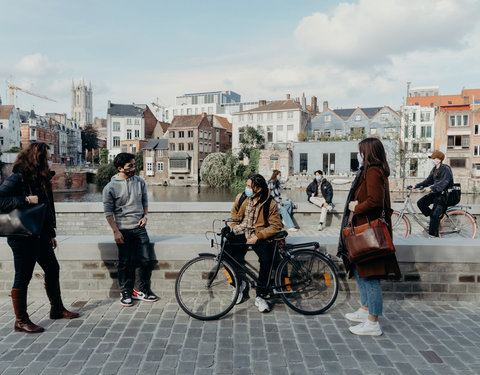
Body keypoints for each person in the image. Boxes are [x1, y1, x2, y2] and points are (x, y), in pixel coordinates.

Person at [0, 142, 79, 334]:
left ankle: (57, 309)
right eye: (48, 157)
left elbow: (46, 208)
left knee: (53, 268)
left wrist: (51, 233)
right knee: (23, 276)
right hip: (22, 236)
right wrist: (25, 200)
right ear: (38, 158)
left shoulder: (41, 179)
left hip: (40, 233)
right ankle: (20, 321)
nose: (51, 161)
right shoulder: (17, 178)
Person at [337, 138, 401, 336]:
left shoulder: (373, 172)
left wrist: (356, 206)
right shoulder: (368, 171)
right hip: (363, 231)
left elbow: (375, 201)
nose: (359, 155)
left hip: (368, 233)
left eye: (361, 152)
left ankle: (373, 322)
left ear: (368, 153)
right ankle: (365, 310)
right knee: (361, 271)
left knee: (370, 276)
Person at [103, 153, 158, 307]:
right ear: (120, 168)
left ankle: (141, 290)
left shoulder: (140, 182)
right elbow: (108, 212)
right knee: (124, 262)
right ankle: (125, 292)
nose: (134, 168)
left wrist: (145, 216)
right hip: (122, 229)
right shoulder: (110, 187)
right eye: (130, 166)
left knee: (146, 259)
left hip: (139, 228)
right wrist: (115, 231)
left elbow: (145, 201)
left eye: (134, 165)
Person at [227, 174, 283, 313]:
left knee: (266, 259)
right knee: (225, 253)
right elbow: (234, 212)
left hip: (259, 235)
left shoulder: (269, 203)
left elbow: (276, 225)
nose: (246, 188)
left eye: (249, 186)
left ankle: (261, 295)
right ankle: (238, 284)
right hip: (241, 231)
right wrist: (234, 226)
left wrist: (258, 237)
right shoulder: (242, 197)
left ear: (257, 188)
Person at [411, 151, 453, 238]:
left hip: (444, 195)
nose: (433, 160)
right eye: (432, 159)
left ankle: (433, 236)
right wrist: (416, 186)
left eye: (434, 158)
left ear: (440, 159)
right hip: (436, 193)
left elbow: (443, 183)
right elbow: (428, 181)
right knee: (421, 203)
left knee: (434, 215)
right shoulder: (434, 169)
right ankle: (435, 220)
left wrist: (431, 188)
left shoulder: (446, 168)